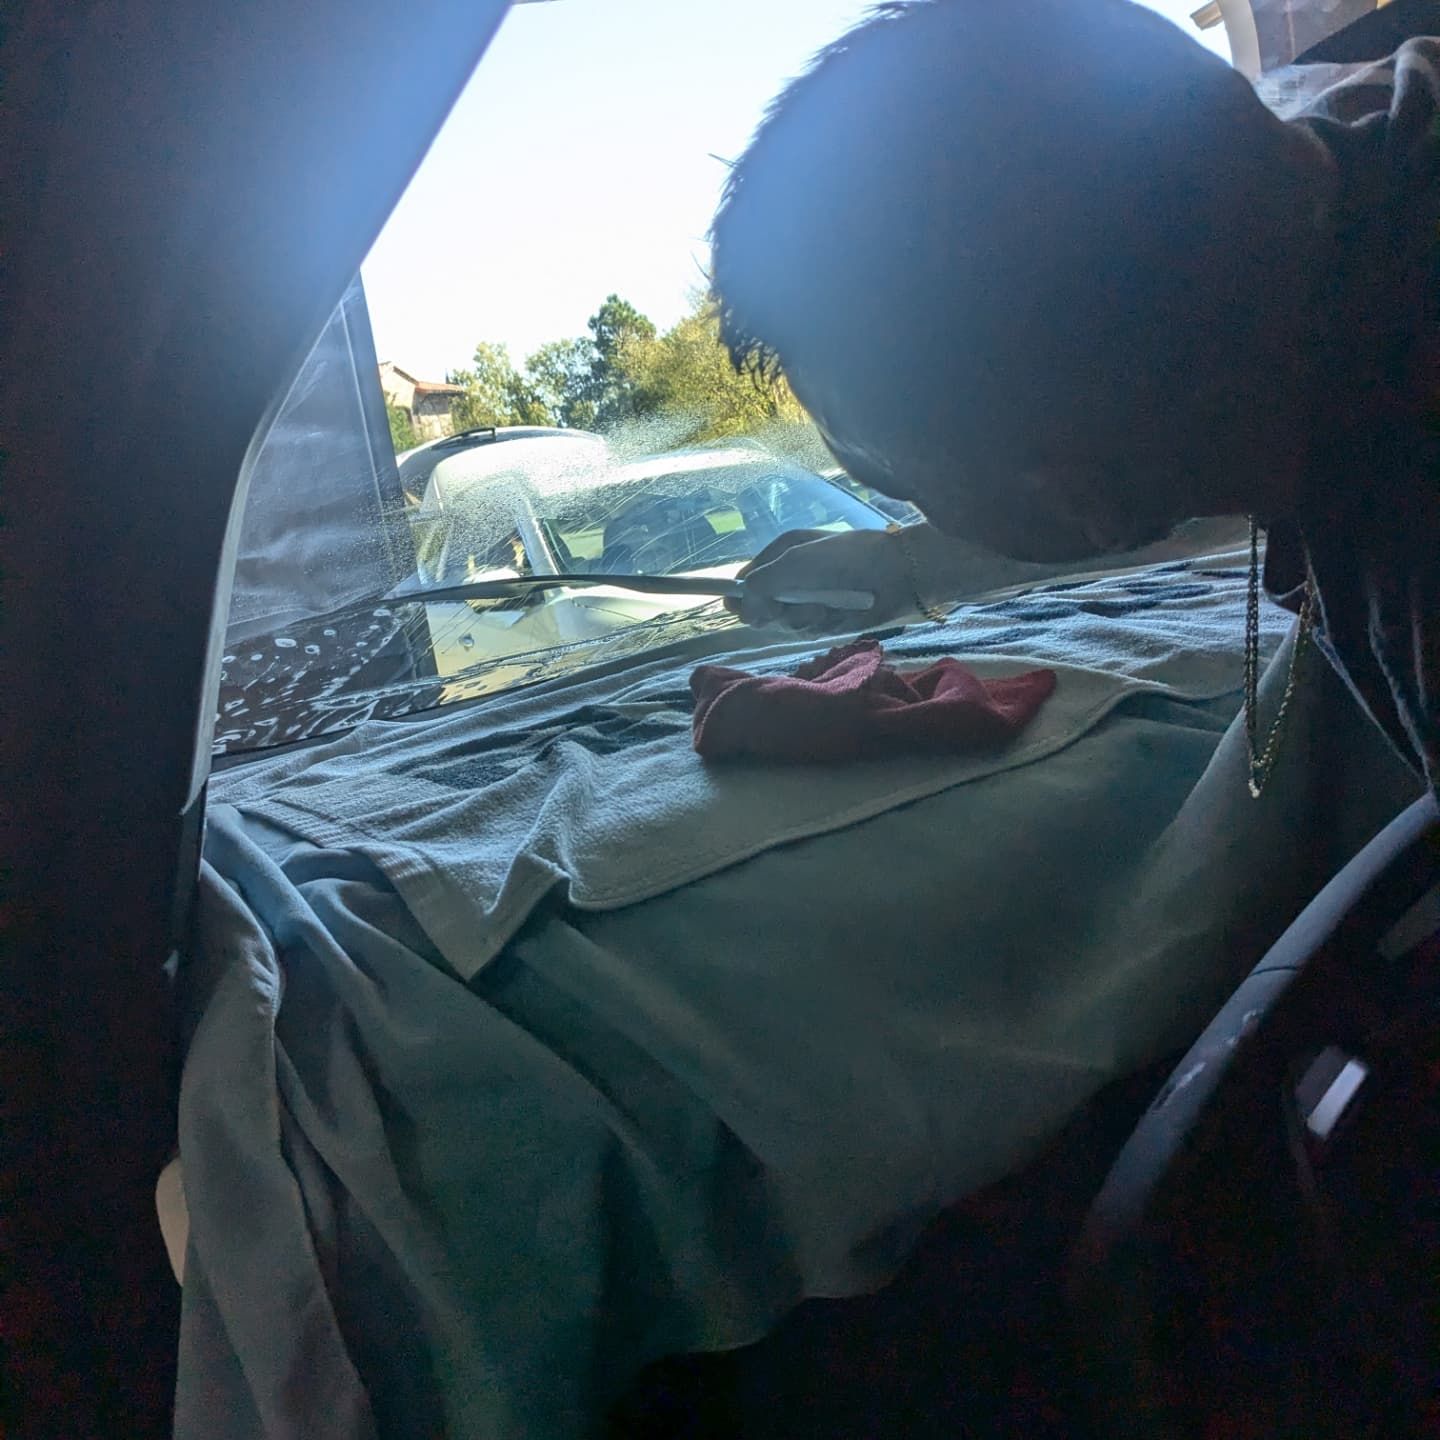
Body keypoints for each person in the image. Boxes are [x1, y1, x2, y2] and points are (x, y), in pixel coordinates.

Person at [709, 0, 1440, 794]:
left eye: (905, 483)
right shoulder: (1350, 146)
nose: (920, 512)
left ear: (1077, 494)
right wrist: (908, 563)